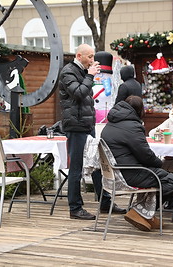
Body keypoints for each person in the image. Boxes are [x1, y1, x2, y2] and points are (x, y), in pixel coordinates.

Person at [59, 44, 126, 220]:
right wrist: (90, 76)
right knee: (76, 168)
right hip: (76, 126)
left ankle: (105, 202)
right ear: (79, 55)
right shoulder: (68, 72)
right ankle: (75, 208)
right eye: (89, 57)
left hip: (87, 125)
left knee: (97, 164)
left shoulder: (82, 71)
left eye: (93, 56)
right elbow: (79, 93)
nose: (92, 60)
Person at [101, 95, 173, 231]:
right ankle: (140, 212)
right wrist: (160, 163)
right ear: (139, 111)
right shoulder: (133, 126)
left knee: (156, 177)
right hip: (129, 174)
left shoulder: (110, 123)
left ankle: (147, 215)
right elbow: (146, 156)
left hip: (114, 174)